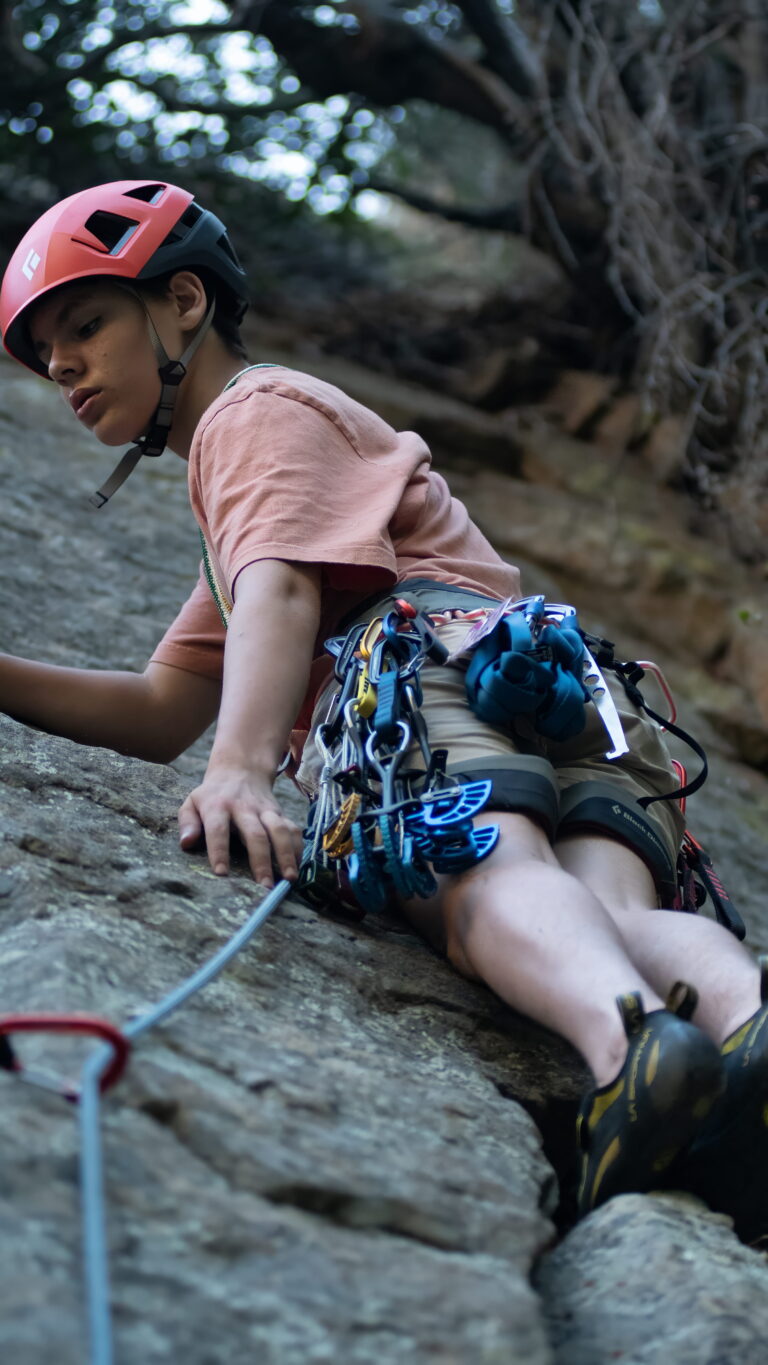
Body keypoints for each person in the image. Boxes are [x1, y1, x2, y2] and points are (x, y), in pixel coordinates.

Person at [0, 179, 766, 1232]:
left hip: (432, 681)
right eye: (44, 351)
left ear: (183, 302)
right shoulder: (276, 477)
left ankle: (631, 1051)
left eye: (85, 325)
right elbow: (162, 705)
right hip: (563, 693)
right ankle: (742, 1028)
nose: (61, 365)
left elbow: (278, 590)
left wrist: (239, 772)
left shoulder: (250, 415)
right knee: (621, 915)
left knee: (482, 879)